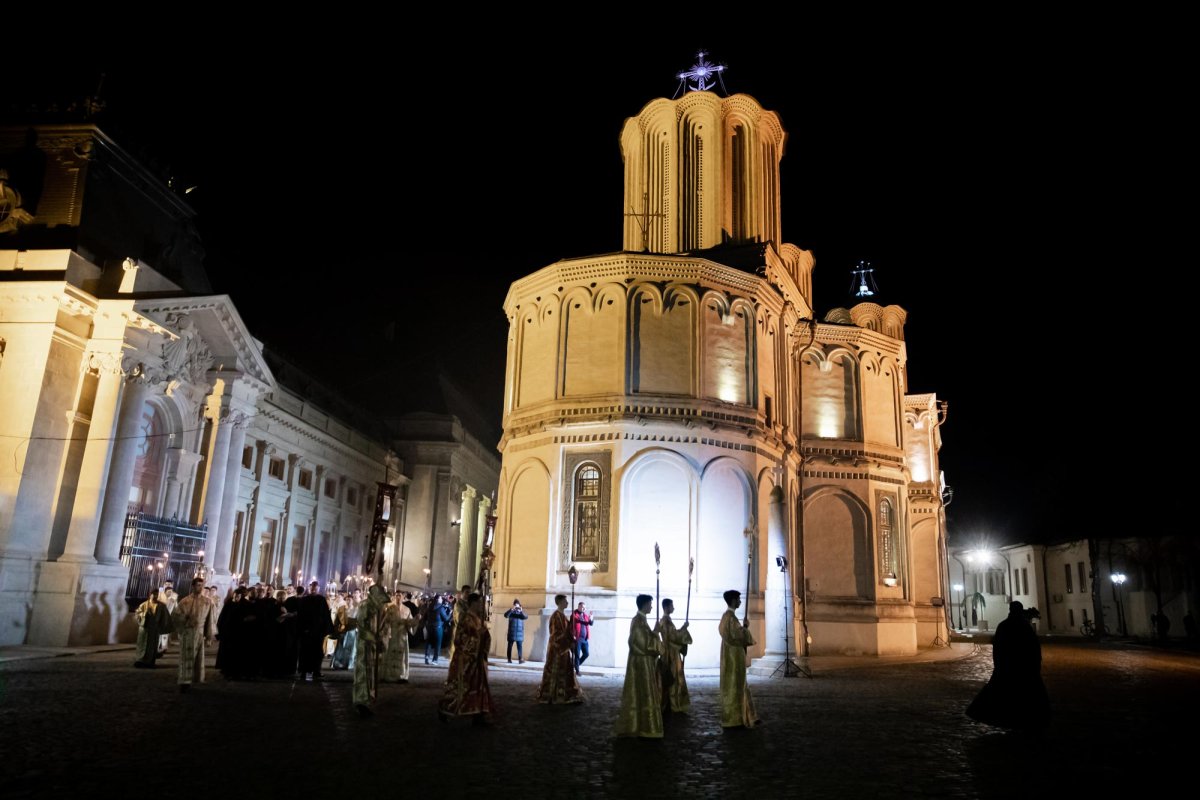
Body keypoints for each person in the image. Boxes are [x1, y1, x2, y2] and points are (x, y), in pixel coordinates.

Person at [966, 600, 1051, 732]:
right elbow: (1034, 648)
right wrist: (1035, 665)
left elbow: (998, 647)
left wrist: (998, 665)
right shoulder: (1024, 626)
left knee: (1003, 696)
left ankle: (1006, 720)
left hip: (1007, 668)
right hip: (1024, 669)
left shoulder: (1004, 625)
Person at [438, 592, 495, 725]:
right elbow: (460, 639)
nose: (482, 605)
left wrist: (484, 636)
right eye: (479, 603)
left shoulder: (477, 619)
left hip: (477, 660)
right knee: (462, 687)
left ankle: (477, 714)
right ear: (473, 604)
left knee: (477, 686)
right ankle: (446, 708)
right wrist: (477, 639)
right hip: (466, 660)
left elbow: (483, 636)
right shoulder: (465, 618)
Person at [614, 594, 663, 738]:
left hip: (645, 663)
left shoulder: (642, 621)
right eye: (650, 604)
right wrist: (655, 634)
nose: (652, 606)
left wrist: (654, 633)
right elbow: (643, 644)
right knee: (644, 693)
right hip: (641, 664)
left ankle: (644, 724)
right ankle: (645, 725)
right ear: (644, 605)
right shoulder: (638, 622)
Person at [718, 589, 758, 728]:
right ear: (734, 600)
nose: (741, 602)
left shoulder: (726, 617)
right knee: (736, 685)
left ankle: (746, 713)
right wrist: (746, 627)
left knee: (736, 685)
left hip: (729, 656)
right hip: (734, 657)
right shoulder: (731, 618)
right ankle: (736, 717)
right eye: (739, 599)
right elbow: (738, 635)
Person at [537, 594, 584, 704]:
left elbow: (566, 632)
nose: (567, 603)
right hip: (557, 650)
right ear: (560, 602)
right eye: (565, 601)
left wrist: (571, 637)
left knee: (566, 673)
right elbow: (556, 635)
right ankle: (553, 696)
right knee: (555, 673)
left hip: (564, 650)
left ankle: (565, 694)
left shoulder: (563, 616)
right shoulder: (556, 616)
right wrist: (568, 642)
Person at [171, 577, 215, 693]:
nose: (199, 588)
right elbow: (175, 616)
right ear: (193, 586)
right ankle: (184, 681)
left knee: (198, 659)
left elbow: (210, 620)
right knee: (185, 658)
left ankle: (194, 678)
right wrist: (185, 620)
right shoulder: (185, 601)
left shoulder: (207, 602)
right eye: (197, 585)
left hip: (199, 634)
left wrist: (209, 636)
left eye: (201, 585)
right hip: (187, 633)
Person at [353, 584, 391, 717]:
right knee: (363, 673)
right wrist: (373, 638)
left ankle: (368, 699)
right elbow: (362, 626)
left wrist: (380, 637)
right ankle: (361, 701)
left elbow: (380, 625)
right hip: (364, 645)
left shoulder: (377, 607)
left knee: (371, 674)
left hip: (372, 645)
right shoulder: (365, 606)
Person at [655, 598, 692, 713]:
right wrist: (684, 628)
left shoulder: (665, 621)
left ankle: (669, 702)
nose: (673, 607)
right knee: (674, 678)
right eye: (672, 605)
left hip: (667, 652)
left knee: (670, 677)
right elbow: (674, 636)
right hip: (671, 654)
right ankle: (674, 703)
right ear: (666, 607)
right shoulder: (666, 621)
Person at [297, 580, 332, 682]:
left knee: (317, 652)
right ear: (309, 588)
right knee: (304, 652)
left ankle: (316, 671)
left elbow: (325, 615)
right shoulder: (304, 600)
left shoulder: (321, 600)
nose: (313, 590)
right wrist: (302, 628)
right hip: (306, 631)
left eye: (315, 588)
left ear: (318, 589)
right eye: (312, 588)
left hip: (318, 631)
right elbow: (301, 615)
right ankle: (303, 671)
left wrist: (326, 629)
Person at [381, 591, 418, 683]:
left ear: (403, 597)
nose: (398, 598)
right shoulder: (390, 608)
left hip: (402, 635)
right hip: (392, 635)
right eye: (396, 596)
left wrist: (416, 620)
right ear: (394, 597)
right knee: (390, 653)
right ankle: (389, 675)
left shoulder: (407, 609)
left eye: (400, 596)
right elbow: (385, 622)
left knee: (402, 655)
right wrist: (385, 632)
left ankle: (401, 675)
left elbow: (410, 623)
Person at [134, 590, 172, 668]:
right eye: (153, 595)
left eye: (157, 595)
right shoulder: (144, 605)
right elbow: (137, 614)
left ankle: (150, 661)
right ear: (150, 595)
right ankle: (140, 660)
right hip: (144, 629)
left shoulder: (161, 606)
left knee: (152, 646)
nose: (155, 596)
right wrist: (144, 614)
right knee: (142, 645)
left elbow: (165, 618)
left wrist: (163, 627)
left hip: (154, 629)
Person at [447, 584, 472, 662]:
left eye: (469, 593)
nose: (468, 595)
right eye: (467, 592)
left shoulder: (469, 603)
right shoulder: (458, 604)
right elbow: (460, 617)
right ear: (462, 593)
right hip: (460, 632)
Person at [425, 595, 452, 664]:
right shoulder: (440, 607)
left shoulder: (429, 607)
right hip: (438, 627)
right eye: (440, 599)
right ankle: (435, 660)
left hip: (429, 627)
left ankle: (427, 657)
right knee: (438, 643)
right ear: (438, 599)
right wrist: (450, 613)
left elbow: (426, 616)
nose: (441, 600)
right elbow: (445, 618)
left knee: (429, 642)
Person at [571, 601, 593, 675]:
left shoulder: (585, 615)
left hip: (585, 639)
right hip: (577, 638)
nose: (584, 609)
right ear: (579, 607)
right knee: (577, 654)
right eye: (582, 607)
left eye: (585, 607)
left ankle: (575, 665)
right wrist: (588, 622)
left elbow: (591, 623)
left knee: (586, 654)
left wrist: (591, 619)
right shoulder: (574, 614)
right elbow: (579, 621)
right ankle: (577, 671)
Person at [504, 598, 528, 663]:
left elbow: (525, 617)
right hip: (511, 632)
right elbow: (506, 615)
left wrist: (521, 610)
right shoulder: (511, 613)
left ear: (520, 605)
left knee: (519, 647)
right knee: (510, 646)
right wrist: (511, 609)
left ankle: (520, 659)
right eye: (515, 605)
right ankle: (509, 659)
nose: (517, 607)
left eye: (518, 605)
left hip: (519, 633)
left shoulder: (521, 613)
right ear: (514, 605)